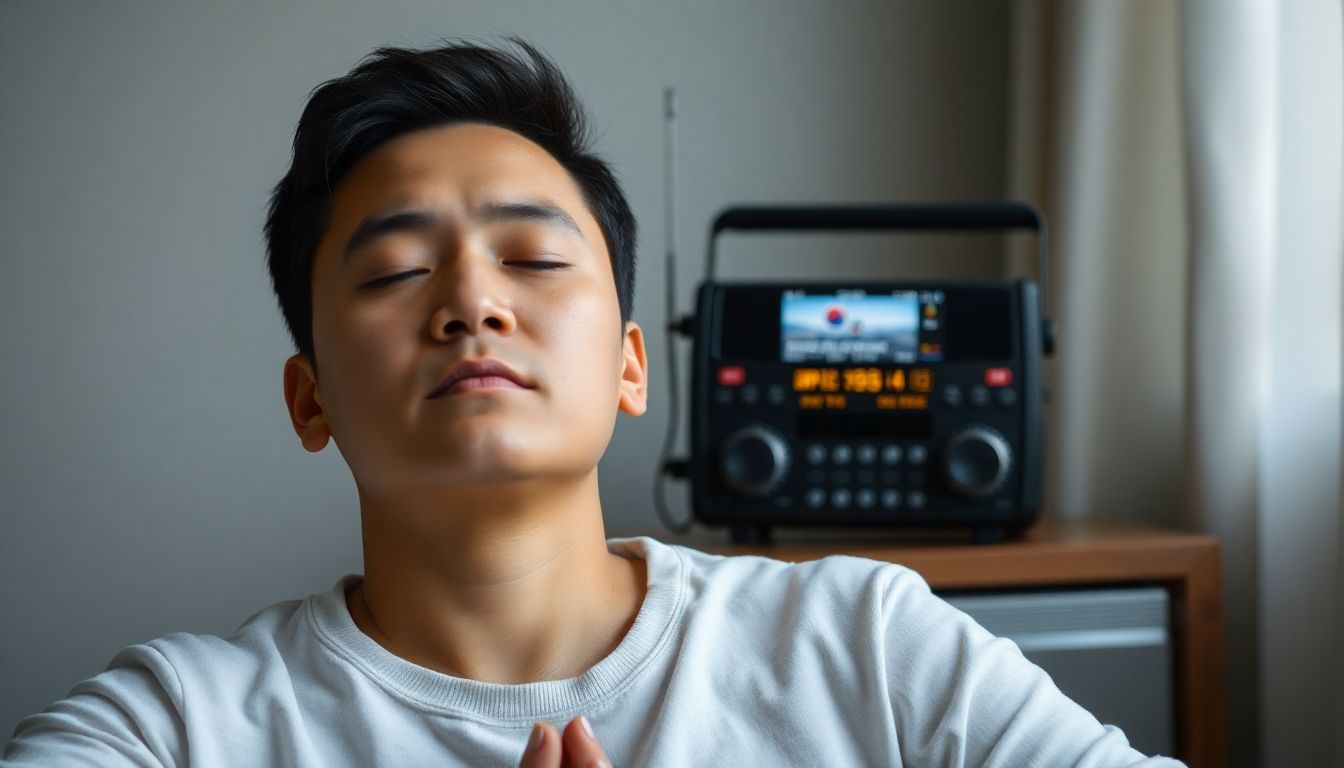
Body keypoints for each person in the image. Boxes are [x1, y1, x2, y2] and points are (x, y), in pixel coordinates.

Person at [2, 38, 1185, 767]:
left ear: (632, 365)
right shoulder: (176, 728)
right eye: (397, 270)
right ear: (309, 398)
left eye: (533, 256)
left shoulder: (865, 644)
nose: (471, 300)